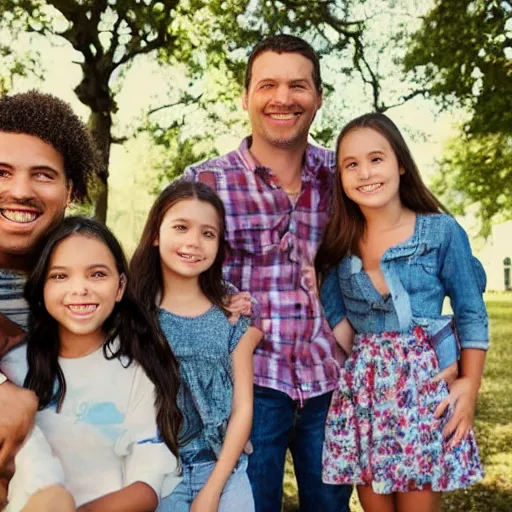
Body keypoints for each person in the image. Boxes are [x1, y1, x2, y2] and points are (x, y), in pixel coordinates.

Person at [182, 34, 353, 512]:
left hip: (331, 383)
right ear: (246, 97)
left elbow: (400, 248)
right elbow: (164, 282)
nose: (283, 98)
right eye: (267, 85)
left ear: (318, 97)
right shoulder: (204, 183)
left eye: (298, 86)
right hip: (247, 389)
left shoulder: (346, 177)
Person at [315, 113, 487, 512]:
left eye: (376, 159)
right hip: (367, 399)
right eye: (351, 164)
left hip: (424, 393)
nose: (365, 173)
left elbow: (471, 312)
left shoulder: (441, 232)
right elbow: (338, 320)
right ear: (340, 177)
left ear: (401, 163)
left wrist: (468, 385)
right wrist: (364, 373)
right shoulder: (338, 244)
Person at [1, 216, 183, 510]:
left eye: (97, 274)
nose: (80, 289)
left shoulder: (136, 370)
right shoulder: (13, 368)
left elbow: (147, 485)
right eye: (60, 276)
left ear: (120, 286)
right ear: (41, 287)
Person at [130, 180, 262, 512]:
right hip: (152, 471)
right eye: (181, 227)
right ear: (157, 234)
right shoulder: (132, 312)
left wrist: (212, 491)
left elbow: (243, 408)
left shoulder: (229, 312)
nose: (193, 242)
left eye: (208, 233)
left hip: (221, 468)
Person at [0, 90, 102, 510]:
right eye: (1, 172)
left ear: (71, 189)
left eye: (42, 174)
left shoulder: (95, 280)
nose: (20, 191)